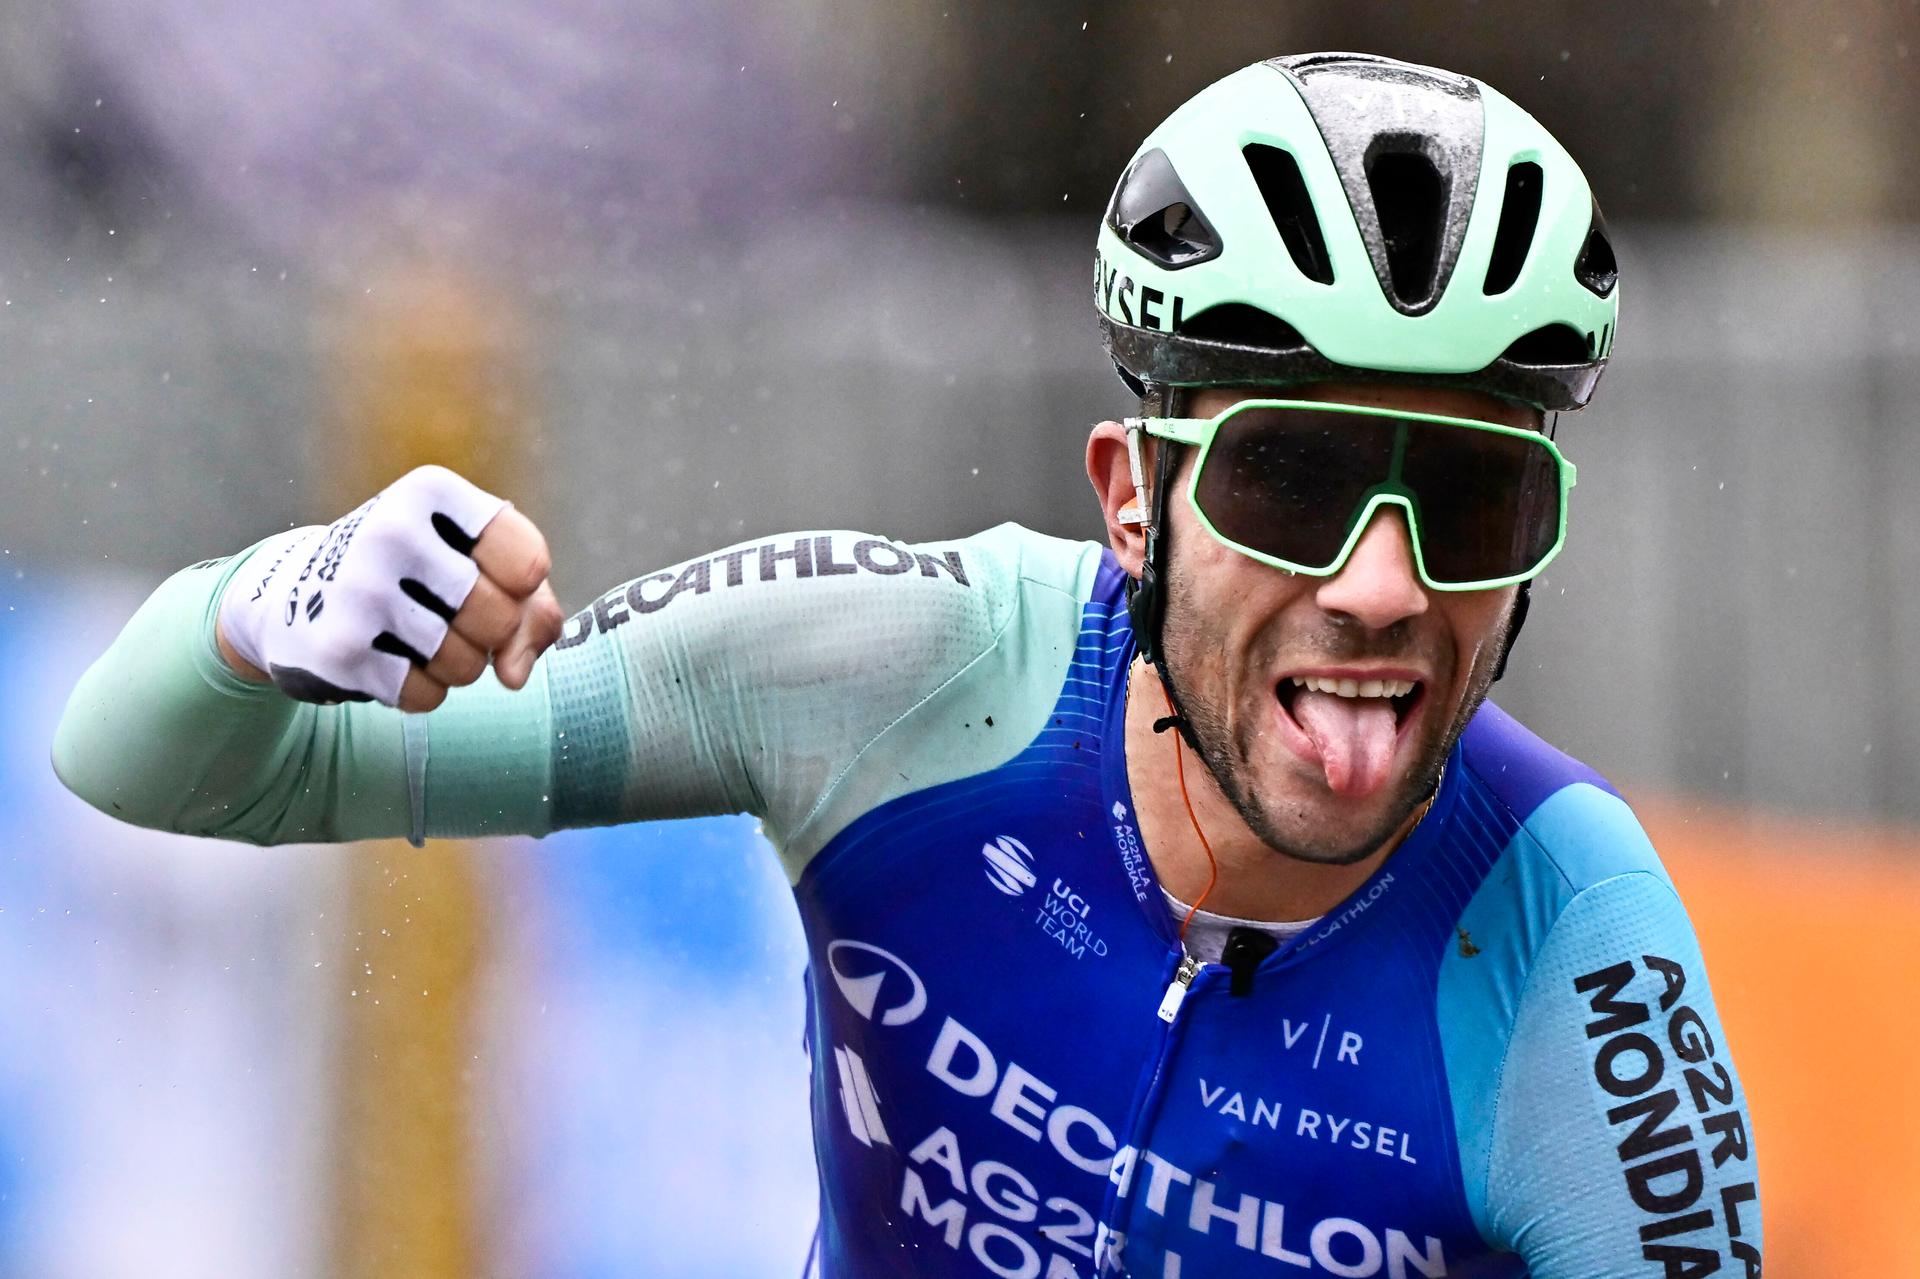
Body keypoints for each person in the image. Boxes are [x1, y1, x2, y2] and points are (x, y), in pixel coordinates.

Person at [53, 52, 1761, 1278]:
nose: (1382, 588)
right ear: (1133, 499)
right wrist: (259, 607)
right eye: (1292, 483)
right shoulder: (903, 670)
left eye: (1470, 501)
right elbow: (146, 759)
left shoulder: (1569, 942)